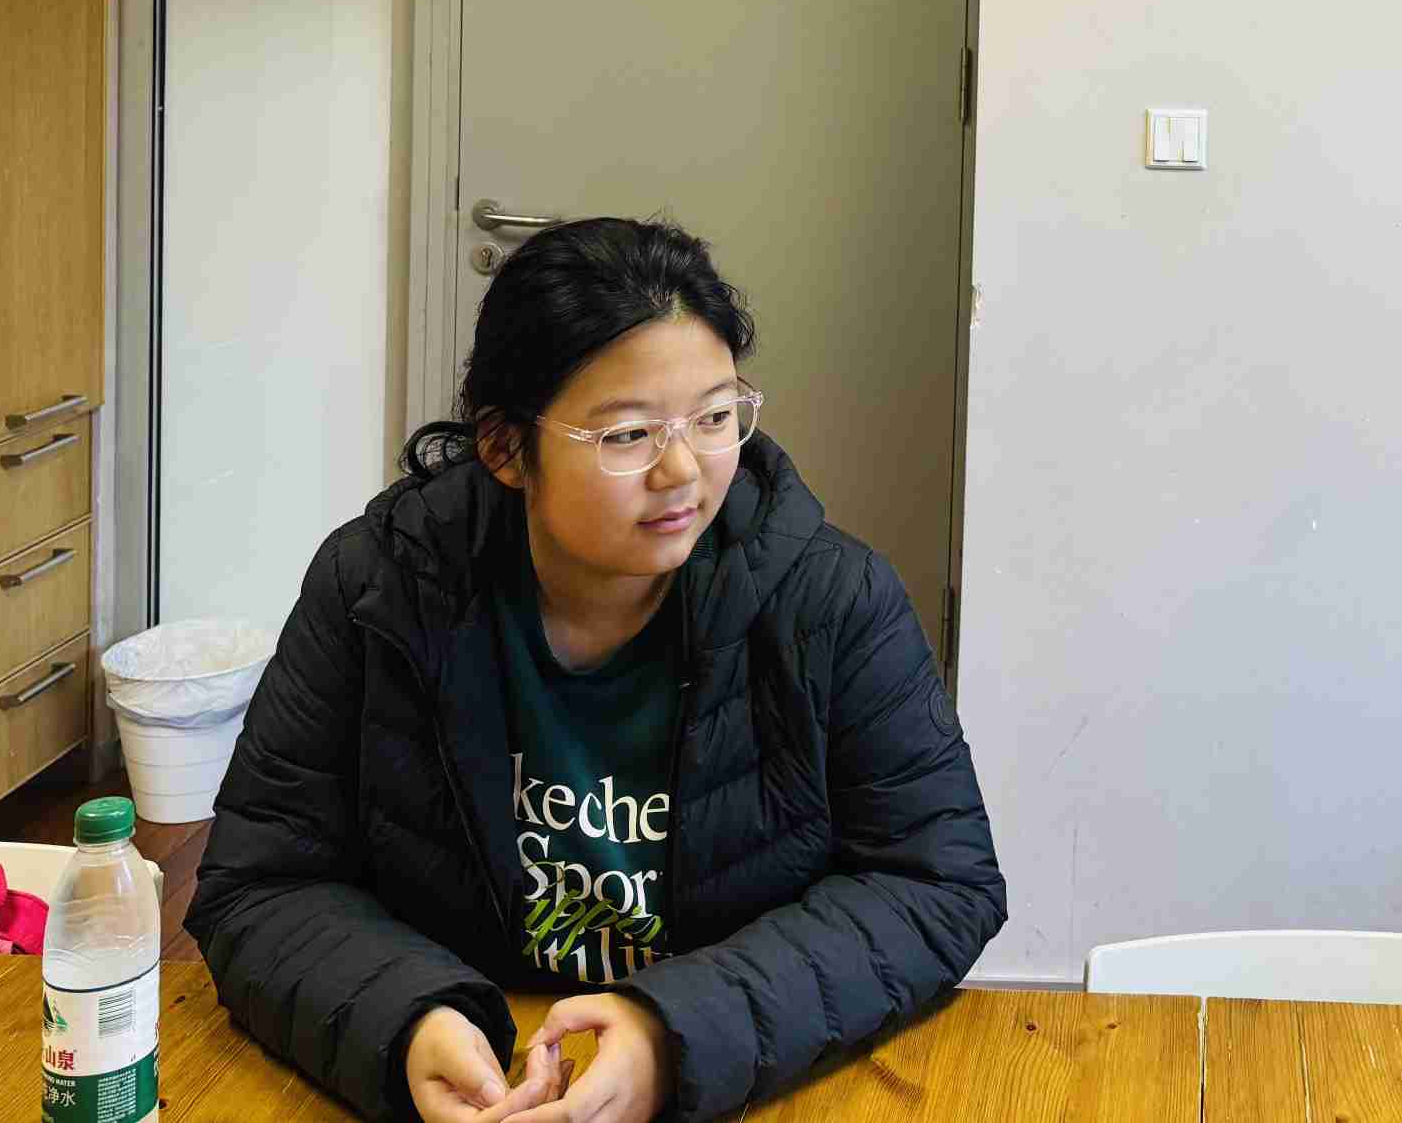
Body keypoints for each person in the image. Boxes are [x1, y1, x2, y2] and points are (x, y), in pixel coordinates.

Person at [188, 217, 1005, 1123]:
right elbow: (261, 884)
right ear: (506, 448)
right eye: (627, 435)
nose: (684, 469)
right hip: (490, 1067)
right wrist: (409, 1024)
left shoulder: (830, 597)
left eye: (715, 416)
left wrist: (673, 1038)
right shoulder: (378, 587)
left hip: (739, 1078)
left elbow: (938, 882)